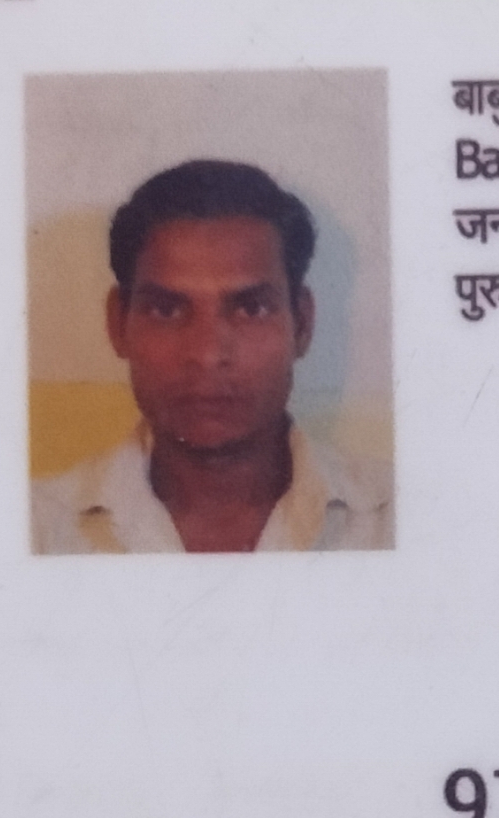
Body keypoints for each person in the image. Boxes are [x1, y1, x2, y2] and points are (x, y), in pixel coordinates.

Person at [33, 159, 392, 553]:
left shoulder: (398, 521)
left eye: (251, 309)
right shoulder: (34, 529)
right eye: (166, 311)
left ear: (302, 325)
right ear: (119, 325)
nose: (206, 355)